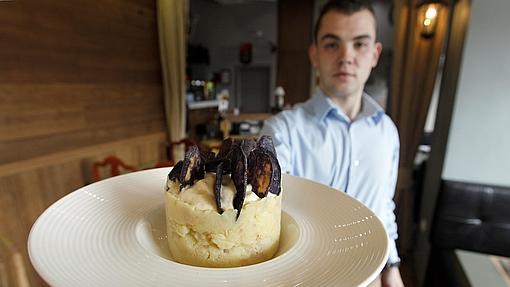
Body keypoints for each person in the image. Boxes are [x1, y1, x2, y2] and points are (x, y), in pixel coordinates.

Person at [260, 0, 404, 286]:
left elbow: (383, 208)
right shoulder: (282, 130)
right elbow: (268, 214)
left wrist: (393, 269)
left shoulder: (387, 131)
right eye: (331, 44)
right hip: (306, 277)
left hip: (372, 276)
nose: (346, 56)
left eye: (360, 44)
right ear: (314, 54)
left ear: (375, 54)